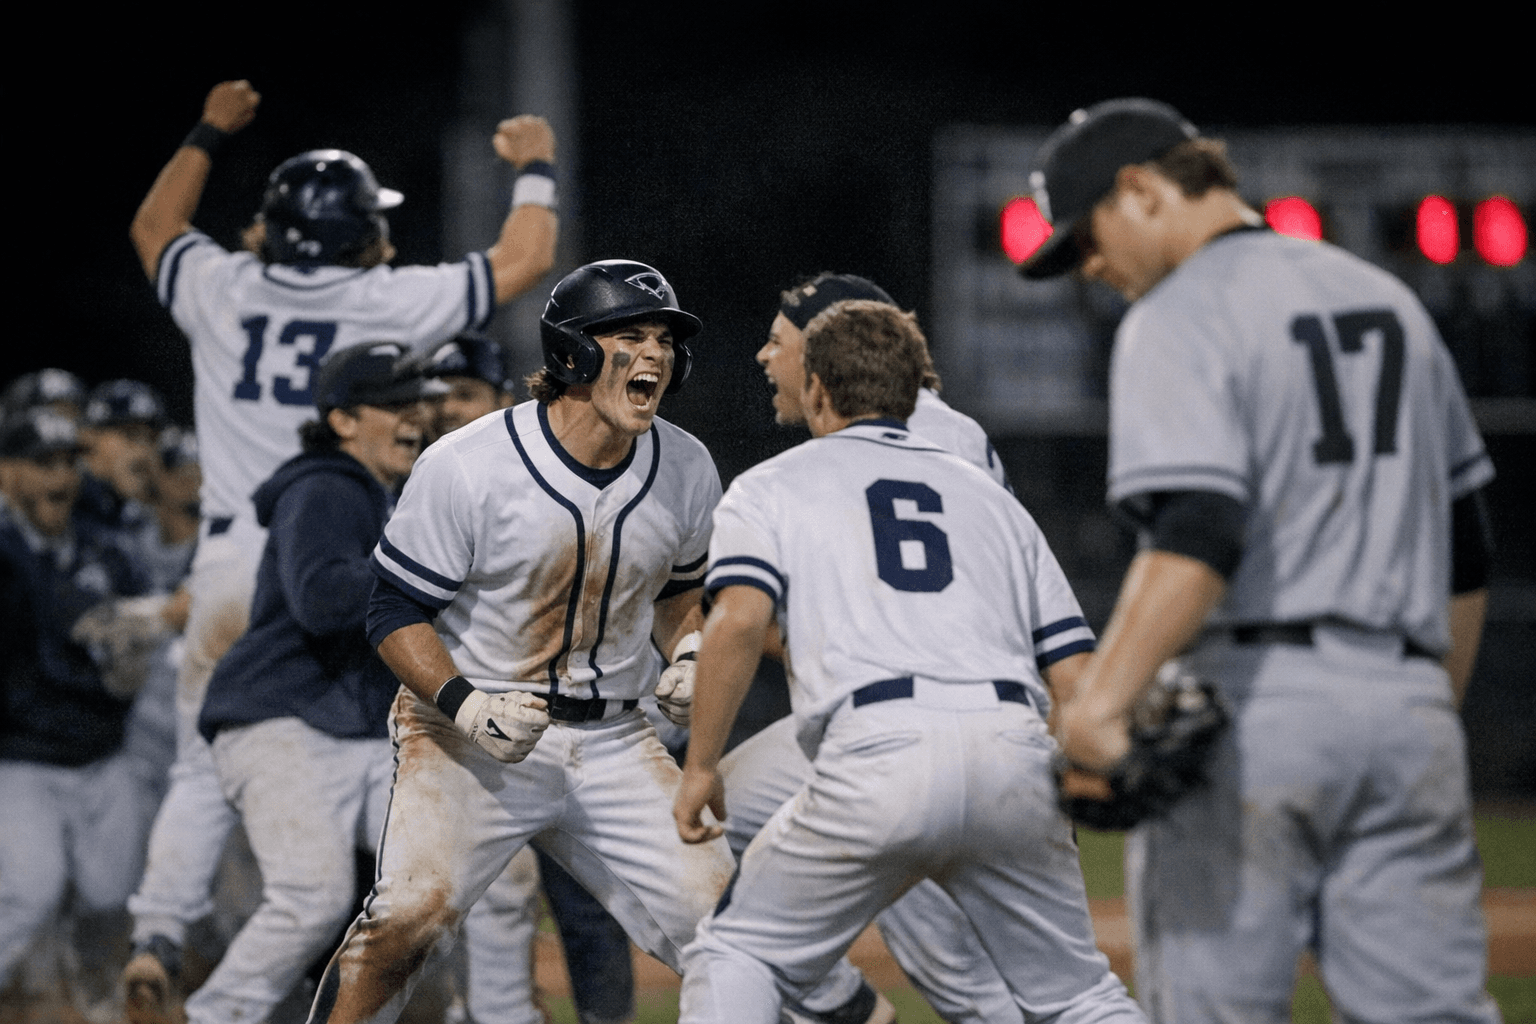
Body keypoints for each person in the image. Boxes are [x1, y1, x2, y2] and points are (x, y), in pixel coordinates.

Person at [1022, 98, 1501, 1023]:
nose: (1087, 263)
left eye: (1087, 235)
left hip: (1257, 709)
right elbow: (1469, 548)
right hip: (1409, 710)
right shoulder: (1388, 300)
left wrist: (1101, 708)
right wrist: (1425, 708)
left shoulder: (1178, 312)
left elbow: (1199, 533)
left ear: (1144, 190)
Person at [122, 77, 559, 1019]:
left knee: (205, 769)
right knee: (385, 767)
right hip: (326, 552)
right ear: (363, 231)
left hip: (233, 556)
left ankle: (160, 927)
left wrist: (205, 131)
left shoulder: (224, 285)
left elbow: (154, 229)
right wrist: (534, 169)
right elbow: (526, 257)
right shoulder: (390, 301)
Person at [673, 300, 1143, 1024]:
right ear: (909, 393)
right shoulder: (992, 500)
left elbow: (737, 621)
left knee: (736, 954)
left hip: (876, 749)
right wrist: (1085, 767)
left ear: (821, 389)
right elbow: (1074, 670)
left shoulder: (773, 485)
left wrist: (702, 762)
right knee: (1079, 996)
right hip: (1010, 749)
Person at [304, 260, 736, 1024]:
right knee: (403, 924)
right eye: (630, 335)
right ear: (572, 353)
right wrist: (466, 706)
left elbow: (679, 595)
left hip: (614, 739)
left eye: (665, 340)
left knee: (735, 931)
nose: (656, 355)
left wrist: (692, 651)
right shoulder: (468, 465)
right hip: (463, 735)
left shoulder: (688, 465)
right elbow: (393, 611)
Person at [721, 272, 1030, 1024]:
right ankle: (833, 1002)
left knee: (965, 978)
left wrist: (722, 633)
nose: (764, 356)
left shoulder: (910, 433)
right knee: (713, 817)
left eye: (780, 340)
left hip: (919, 725)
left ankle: (839, 1006)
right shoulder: (929, 430)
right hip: (896, 718)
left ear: (833, 346)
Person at [177, 343, 434, 1024]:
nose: (417, 415)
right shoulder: (325, 484)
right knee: (311, 896)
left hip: (343, 731)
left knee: (439, 876)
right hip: (277, 722)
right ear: (344, 419)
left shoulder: (381, 494)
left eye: (420, 401)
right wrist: (423, 570)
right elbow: (322, 598)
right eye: (397, 404)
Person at [414, 329, 639, 1024]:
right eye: (437, 397)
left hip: (565, 725)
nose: (448, 409)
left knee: (588, 906)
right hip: (459, 727)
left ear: (496, 397)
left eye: (464, 394)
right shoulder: (427, 475)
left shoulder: (543, 473)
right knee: (449, 903)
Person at [0, 408, 156, 1012]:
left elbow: (136, 655)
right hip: (20, 760)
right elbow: (56, 604)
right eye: (41, 463)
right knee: (27, 897)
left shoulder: (105, 547)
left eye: (68, 462)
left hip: (102, 755)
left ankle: (94, 1004)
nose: (58, 477)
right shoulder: (7, 550)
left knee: (113, 898)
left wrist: (133, 647)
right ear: (8, 471)